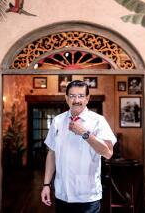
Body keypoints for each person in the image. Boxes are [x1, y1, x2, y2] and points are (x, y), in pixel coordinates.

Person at [41, 80, 117, 213]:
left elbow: (108, 152)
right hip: (62, 194)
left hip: (87, 197)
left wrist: (84, 133)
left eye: (81, 96)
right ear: (66, 98)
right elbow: (52, 153)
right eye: (72, 96)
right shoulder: (57, 121)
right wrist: (46, 184)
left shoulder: (98, 121)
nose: (76, 100)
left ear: (87, 98)